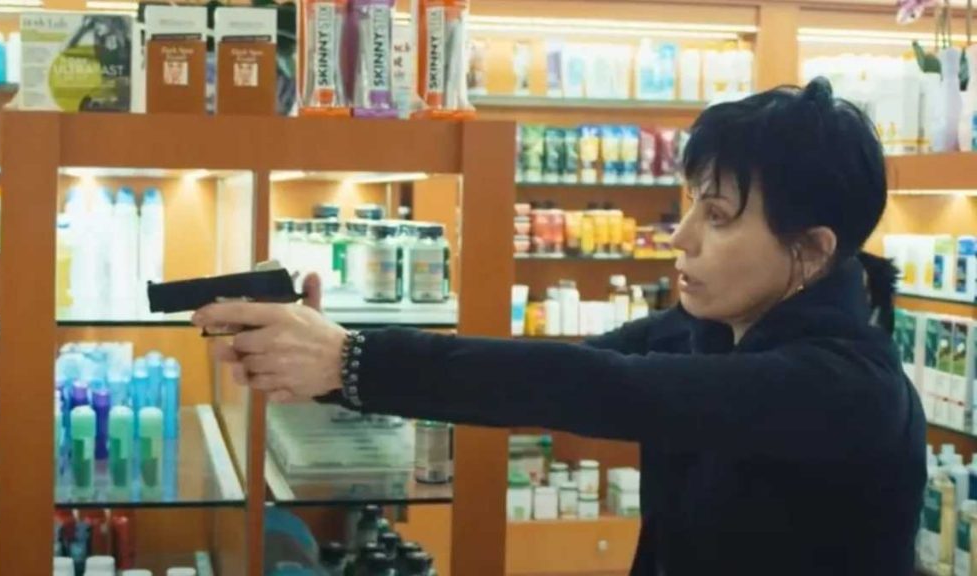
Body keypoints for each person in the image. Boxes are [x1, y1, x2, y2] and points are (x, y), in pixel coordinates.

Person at [193, 78, 926, 576]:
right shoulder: (703, 330)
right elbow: (536, 377)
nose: (682, 238)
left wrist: (350, 360)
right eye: (691, 205)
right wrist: (330, 361)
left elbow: (596, 388)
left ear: (811, 249)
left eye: (720, 216)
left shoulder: (846, 388)